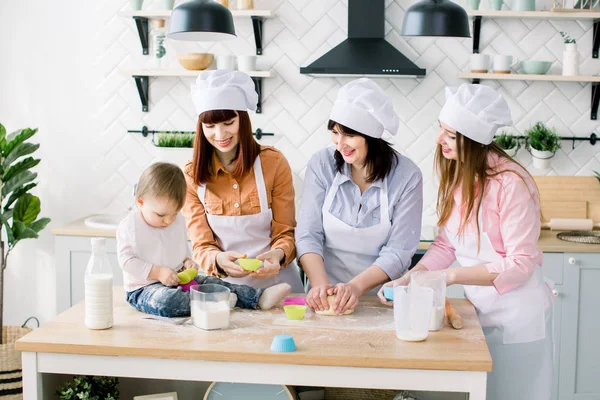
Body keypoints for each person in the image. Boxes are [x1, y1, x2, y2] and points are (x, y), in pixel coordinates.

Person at [378, 84, 553, 400]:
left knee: (513, 393)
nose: (438, 140)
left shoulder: (511, 185)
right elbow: (446, 245)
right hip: (478, 313)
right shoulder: (459, 176)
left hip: (517, 318)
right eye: (440, 129)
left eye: (450, 135)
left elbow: (520, 263)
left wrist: (450, 276)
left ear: (473, 141)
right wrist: (410, 277)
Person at [295, 78, 424, 315]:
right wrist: (321, 285)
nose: (340, 144)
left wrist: (355, 287)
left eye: (349, 136)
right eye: (335, 133)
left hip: (380, 300)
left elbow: (399, 251)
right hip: (324, 298)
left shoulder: (406, 176)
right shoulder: (322, 164)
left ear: (370, 137)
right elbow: (307, 234)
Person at [116, 162, 291, 318]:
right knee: (168, 301)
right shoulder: (129, 227)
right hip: (145, 289)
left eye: (174, 213)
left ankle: (258, 297)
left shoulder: (175, 221)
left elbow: (179, 248)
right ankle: (216, 303)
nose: (168, 221)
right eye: (161, 215)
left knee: (213, 282)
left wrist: (187, 262)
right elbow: (127, 261)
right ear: (140, 202)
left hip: (178, 279)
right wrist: (158, 272)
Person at [182, 70, 304, 293]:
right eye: (210, 127)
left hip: (279, 285)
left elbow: (285, 232)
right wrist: (217, 259)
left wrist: (277, 256)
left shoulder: (273, 163)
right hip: (225, 291)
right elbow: (200, 245)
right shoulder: (192, 176)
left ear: (243, 120)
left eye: (228, 122)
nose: (220, 134)